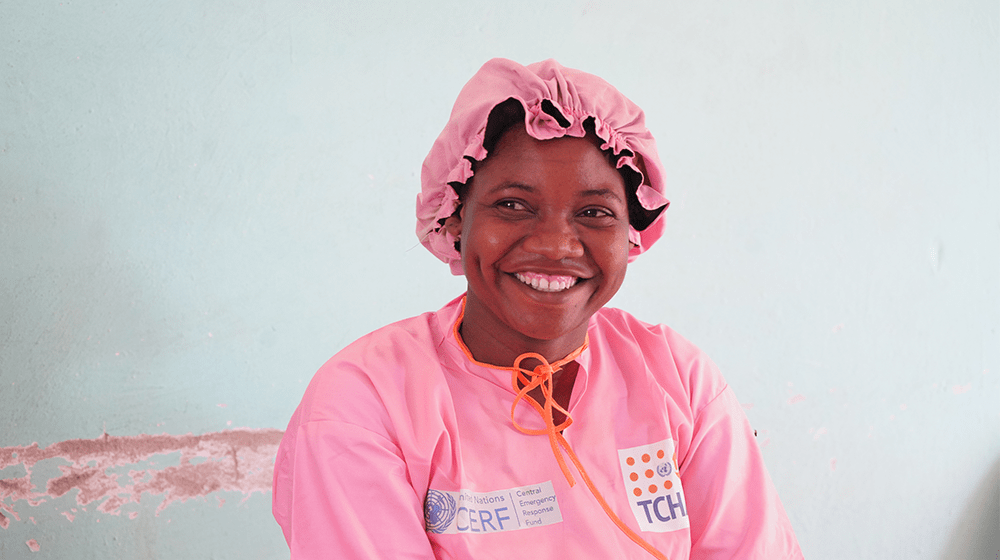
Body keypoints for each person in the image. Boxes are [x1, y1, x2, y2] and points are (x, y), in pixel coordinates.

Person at [272, 58, 803, 559]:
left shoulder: (679, 381)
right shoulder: (366, 402)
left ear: (631, 234)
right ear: (455, 219)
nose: (555, 245)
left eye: (595, 212)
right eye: (512, 205)